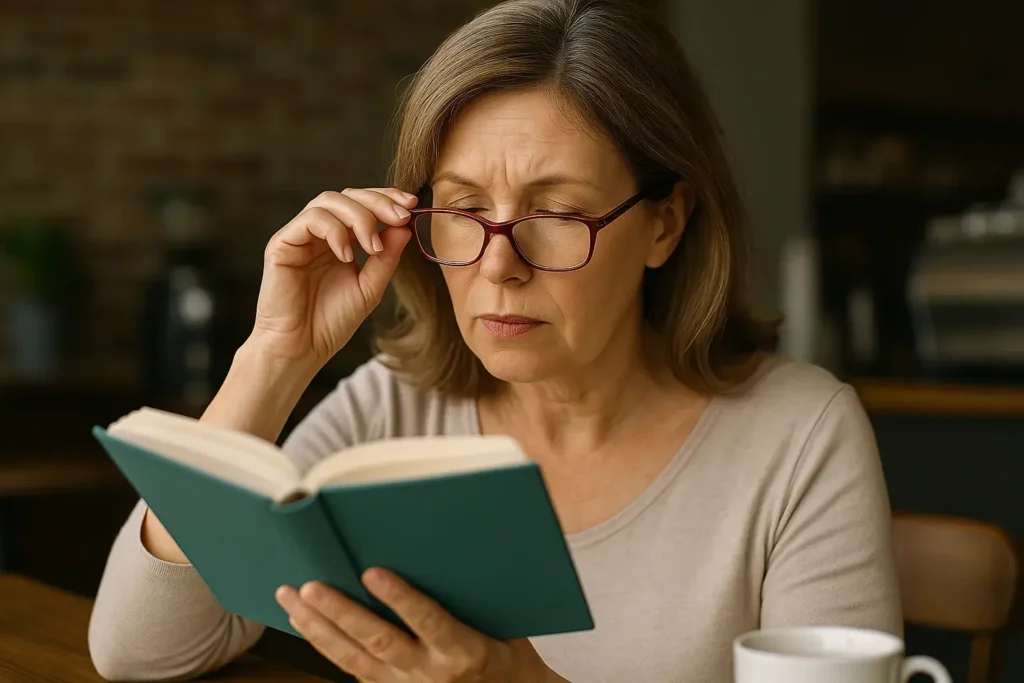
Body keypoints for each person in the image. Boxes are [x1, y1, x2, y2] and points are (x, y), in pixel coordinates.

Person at [87, 0, 902, 681]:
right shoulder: (394, 409)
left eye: (554, 215)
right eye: (466, 211)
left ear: (665, 222)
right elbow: (138, 649)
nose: (500, 264)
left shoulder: (799, 434)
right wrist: (276, 353)